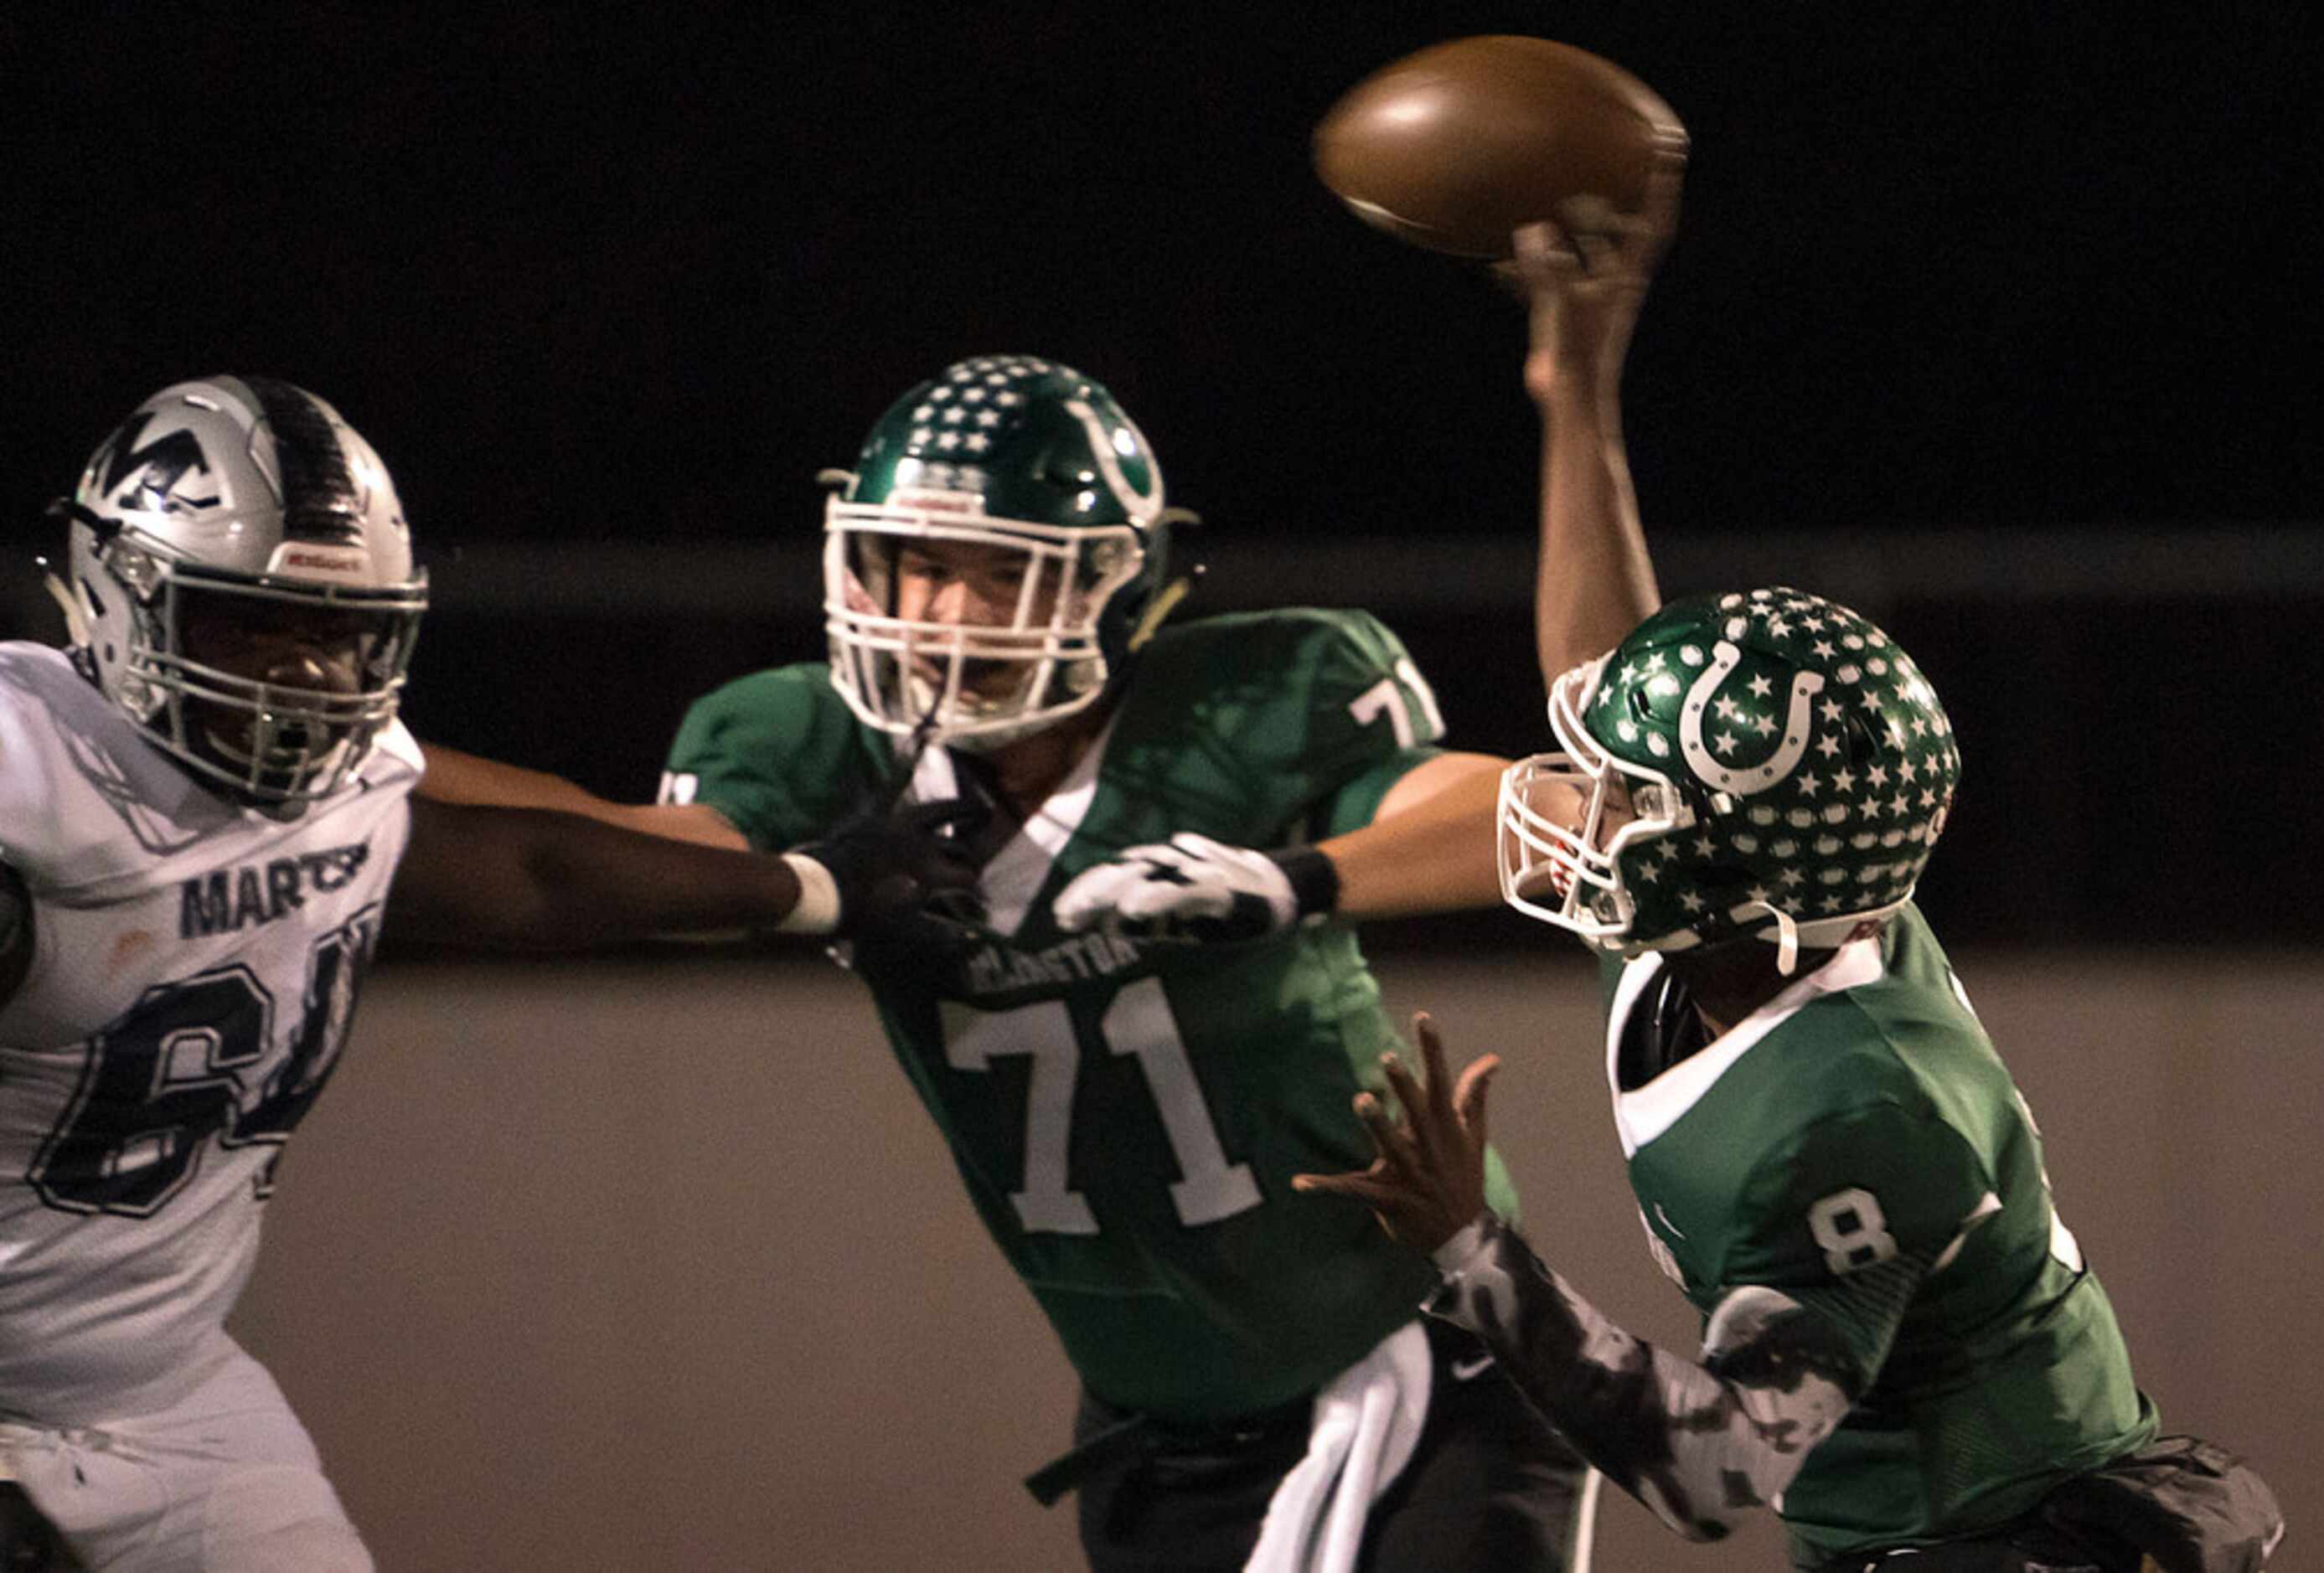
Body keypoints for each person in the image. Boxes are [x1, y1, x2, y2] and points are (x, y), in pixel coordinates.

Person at [422, 345, 1622, 1569]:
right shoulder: (811, 745)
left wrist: (1287, 879)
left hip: (1416, 1366)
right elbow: (609, 847)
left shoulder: (1249, 706)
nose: (943, 615)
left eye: (999, 573)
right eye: (920, 565)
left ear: (1114, 582)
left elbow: (1569, 814)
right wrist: (356, 758)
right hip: (1157, 1437)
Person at [1264, 221, 2288, 1569]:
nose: (1588, 805)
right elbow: (1601, 666)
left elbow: (1712, 1465)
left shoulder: (1853, 1106)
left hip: (2010, 1537)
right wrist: (1578, 395)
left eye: (1633, 797)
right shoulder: (1749, 910)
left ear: (1739, 864)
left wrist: (1469, 1244)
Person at [0, 376, 977, 1572]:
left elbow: (538, 865)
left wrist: (816, 885)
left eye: (335, 633)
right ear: (120, 594)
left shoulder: (341, 785)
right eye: (252, 626)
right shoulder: (28, 787)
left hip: (169, 1394)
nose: (301, 683)